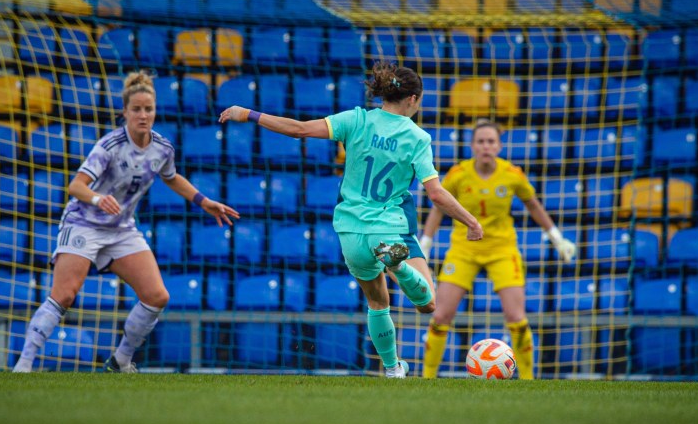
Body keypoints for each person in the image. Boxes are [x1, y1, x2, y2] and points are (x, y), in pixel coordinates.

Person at [219, 62, 483, 378]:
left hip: (350, 230)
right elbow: (436, 194)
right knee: (427, 303)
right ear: (413, 99)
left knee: (377, 302)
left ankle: (392, 369)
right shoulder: (417, 137)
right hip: (387, 228)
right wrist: (471, 221)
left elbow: (299, 129)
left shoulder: (356, 119)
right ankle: (398, 266)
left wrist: (248, 113)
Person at [12, 71, 240, 373]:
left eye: (149, 109)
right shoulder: (110, 145)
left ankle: (120, 360)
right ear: (125, 112)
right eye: (137, 109)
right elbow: (76, 186)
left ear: (155, 111)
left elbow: (171, 177)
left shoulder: (162, 148)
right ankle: (24, 364)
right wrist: (98, 199)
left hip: (120, 229)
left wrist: (203, 201)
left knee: (156, 296)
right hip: (84, 223)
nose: (143, 115)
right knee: (65, 294)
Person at [417, 120, 576, 380]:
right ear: (472, 146)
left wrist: (557, 239)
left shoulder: (512, 174)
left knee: (516, 316)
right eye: (480, 141)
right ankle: (427, 377)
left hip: (502, 249)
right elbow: (438, 208)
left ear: (499, 146)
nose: (486, 146)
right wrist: (425, 243)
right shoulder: (458, 174)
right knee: (442, 314)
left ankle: (528, 379)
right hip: (464, 249)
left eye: (491, 141)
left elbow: (533, 205)